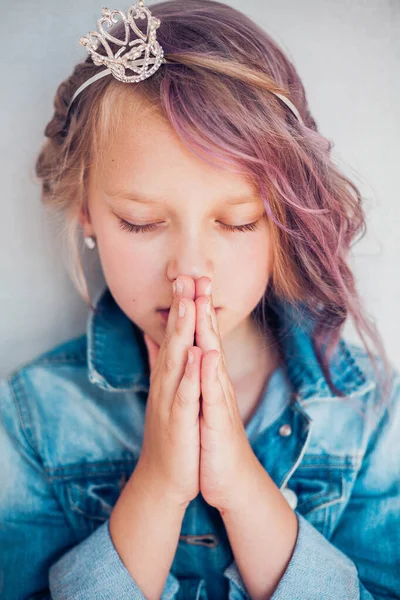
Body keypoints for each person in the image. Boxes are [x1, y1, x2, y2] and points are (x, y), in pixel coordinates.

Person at [1, 0, 399, 598]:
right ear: (86, 211)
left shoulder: (369, 411)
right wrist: (158, 487)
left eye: (237, 222)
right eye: (139, 222)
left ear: (282, 220)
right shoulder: (33, 417)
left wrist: (243, 489)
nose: (189, 270)